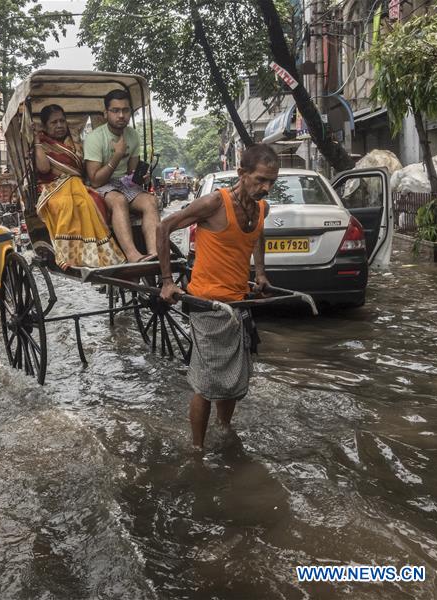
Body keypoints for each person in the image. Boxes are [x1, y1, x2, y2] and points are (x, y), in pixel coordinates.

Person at [155, 144, 279, 450]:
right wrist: (168, 281)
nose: (265, 188)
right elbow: (165, 226)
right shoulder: (214, 202)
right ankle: (197, 451)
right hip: (207, 304)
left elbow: (259, 235)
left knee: (233, 382)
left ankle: (223, 431)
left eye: (271, 182)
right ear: (242, 173)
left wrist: (260, 274)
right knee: (209, 384)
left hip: (238, 303)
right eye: (260, 179)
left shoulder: (262, 208)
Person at [34, 104, 125, 268]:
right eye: (54, 122)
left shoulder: (75, 143)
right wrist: (36, 142)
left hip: (78, 186)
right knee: (68, 204)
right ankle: (72, 254)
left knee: (93, 201)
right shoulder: (41, 144)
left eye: (62, 121)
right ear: (45, 126)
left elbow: (86, 170)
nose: (60, 125)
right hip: (53, 190)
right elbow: (44, 168)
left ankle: (95, 253)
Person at [84, 89, 161, 263]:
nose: (121, 115)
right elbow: (95, 180)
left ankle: (154, 253)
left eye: (125, 110)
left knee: (150, 201)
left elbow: (131, 174)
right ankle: (133, 255)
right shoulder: (95, 138)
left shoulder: (132, 135)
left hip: (124, 183)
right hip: (100, 186)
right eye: (115, 110)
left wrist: (142, 177)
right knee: (119, 200)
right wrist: (117, 155)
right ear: (106, 113)